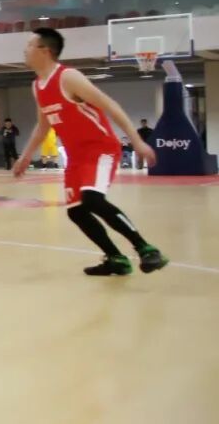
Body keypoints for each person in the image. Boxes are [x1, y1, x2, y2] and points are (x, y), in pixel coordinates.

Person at [13, 28, 168, 276]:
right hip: (76, 157)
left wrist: (137, 141)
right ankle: (116, 259)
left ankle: (146, 249)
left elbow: (110, 105)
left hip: (100, 148)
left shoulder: (68, 77)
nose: (25, 50)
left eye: (30, 45)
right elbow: (43, 125)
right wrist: (25, 157)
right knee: (76, 211)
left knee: (92, 200)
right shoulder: (37, 86)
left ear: (45, 51)